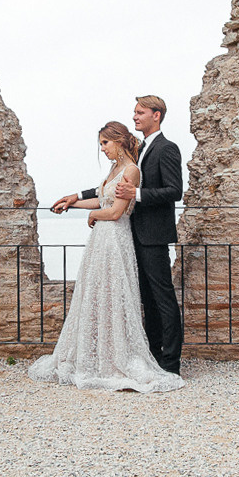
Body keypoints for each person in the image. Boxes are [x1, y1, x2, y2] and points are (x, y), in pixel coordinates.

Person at [30, 120, 184, 394]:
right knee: (103, 295)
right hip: (104, 241)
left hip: (117, 237)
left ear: (120, 142)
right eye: (100, 144)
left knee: (129, 295)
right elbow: (103, 197)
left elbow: (114, 212)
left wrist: (93, 215)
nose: (102, 149)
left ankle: (165, 362)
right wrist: (72, 202)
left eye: (105, 143)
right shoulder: (116, 168)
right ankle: (105, 355)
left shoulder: (134, 168)